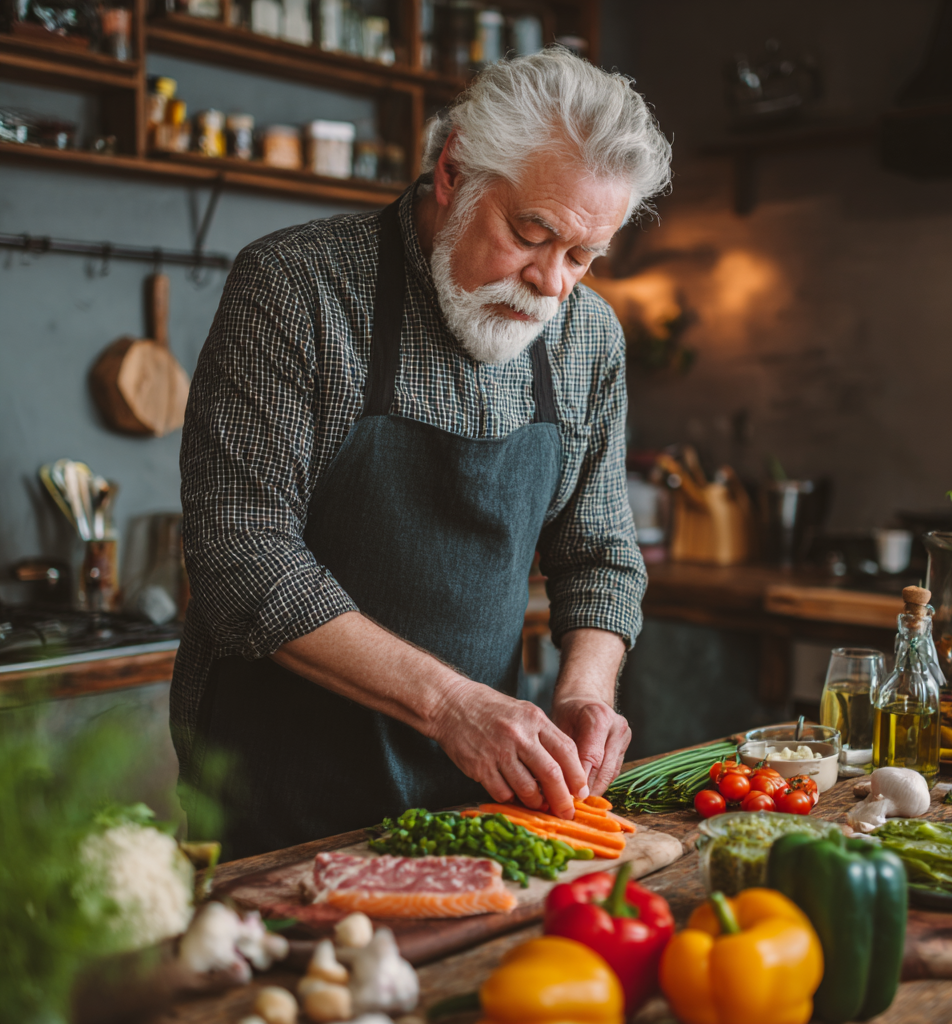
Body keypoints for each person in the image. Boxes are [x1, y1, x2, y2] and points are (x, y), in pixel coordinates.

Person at [171, 47, 673, 859]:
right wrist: (450, 707)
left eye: (581, 257)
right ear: (453, 170)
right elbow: (241, 553)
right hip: (279, 796)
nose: (550, 284)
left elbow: (601, 554)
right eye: (529, 234)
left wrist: (585, 691)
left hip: (479, 801)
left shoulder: (589, 337)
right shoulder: (298, 289)